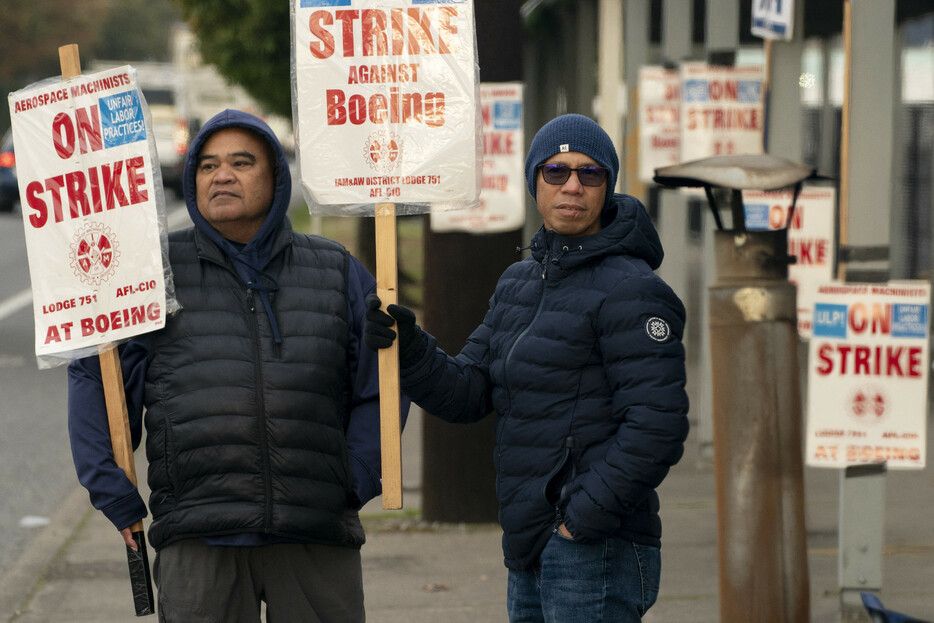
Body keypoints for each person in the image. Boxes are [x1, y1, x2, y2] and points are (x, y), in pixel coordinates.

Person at [68, 109, 403, 622]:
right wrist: (113, 492)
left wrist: (356, 476)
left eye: (241, 162)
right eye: (206, 166)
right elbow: (98, 378)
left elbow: (382, 381)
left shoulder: (335, 269)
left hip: (315, 533)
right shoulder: (149, 275)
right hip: (198, 535)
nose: (221, 175)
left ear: (276, 174)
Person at [365, 113, 689, 622]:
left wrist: (579, 520)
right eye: (556, 171)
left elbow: (658, 425)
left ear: (608, 186)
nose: (573, 186)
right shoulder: (520, 281)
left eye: (591, 173)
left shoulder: (633, 288)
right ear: (535, 181)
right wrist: (408, 347)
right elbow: (469, 391)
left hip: (594, 546)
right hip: (531, 542)